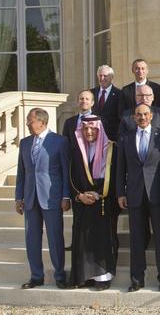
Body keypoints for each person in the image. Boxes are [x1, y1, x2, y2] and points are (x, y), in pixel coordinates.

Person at [116, 104, 160, 292]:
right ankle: (137, 279)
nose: (142, 117)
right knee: (136, 239)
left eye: (145, 114)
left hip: (157, 195)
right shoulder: (126, 139)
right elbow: (120, 169)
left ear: (151, 116)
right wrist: (120, 193)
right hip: (134, 195)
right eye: (138, 115)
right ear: (133, 118)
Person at [15, 108, 70, 289]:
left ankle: (60, 276)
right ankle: (36, 276)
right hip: (30, 199)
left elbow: (65, 171)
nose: (27, 124)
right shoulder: (24, 143)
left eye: (30, 120)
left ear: (41, 122)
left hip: (52, 198)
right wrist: (18, 197)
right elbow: (21, 174)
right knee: (31, 239)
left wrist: (65, 196)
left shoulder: (59, 142)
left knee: (55, 238)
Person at [67, 116, 117, 290]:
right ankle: (83, 277)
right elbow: (71, 176)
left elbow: (116, 176)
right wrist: (80, 196)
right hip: (82, 202)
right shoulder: (76, 151)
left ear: (99, 129)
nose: (89, 132)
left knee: (101, 240)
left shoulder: (110, 149)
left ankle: (102, 278)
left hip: (103, 201)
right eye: (85, 129)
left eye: (92, 129)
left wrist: (98, 193)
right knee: (82, 240)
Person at [91, 65, 122, 141]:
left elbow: (120, 117)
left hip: (111, 138)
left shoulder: (119, 94)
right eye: (100, 76)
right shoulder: (91, 93)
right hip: (94, 136)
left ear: (111, 77)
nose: (102, 78)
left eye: (105, 76)